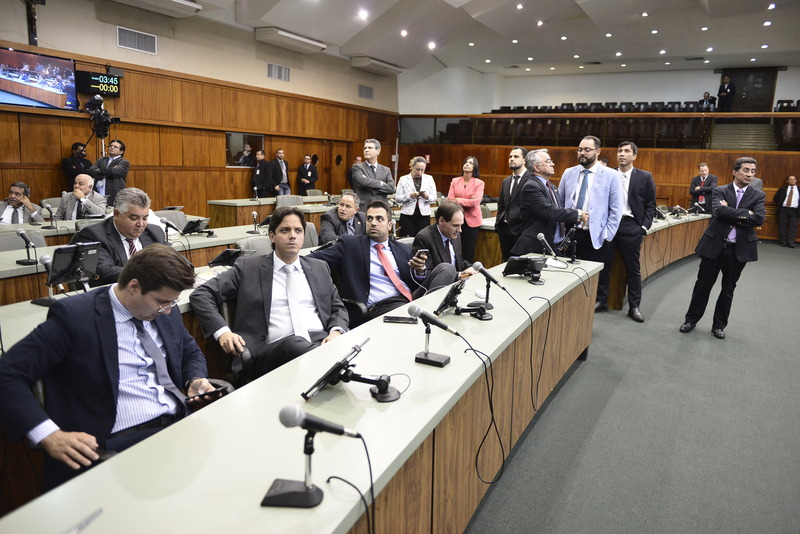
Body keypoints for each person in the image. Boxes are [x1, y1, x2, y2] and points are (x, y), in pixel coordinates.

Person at [0, 244, 215, 490]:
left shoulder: (165, 310)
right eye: (161, 302)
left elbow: (190, 352)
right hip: (117, 443)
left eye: (172, 303)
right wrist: (47, 434)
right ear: (134, 286)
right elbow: (8, 373)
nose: (167, 311)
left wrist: (194, 379)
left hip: (179, 424)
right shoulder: (75, 316)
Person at [190, 207, 348, 382]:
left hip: (320, 343)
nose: (293, 236)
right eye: (285, 230)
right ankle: (333, 369)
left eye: (298, 231)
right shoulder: (248, 268)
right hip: (270, 352)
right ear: (272, 236)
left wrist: (336, 332)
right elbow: (201, 294)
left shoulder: (319, 267)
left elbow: (338, 307)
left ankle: (331, 368)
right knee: (294, 343)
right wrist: (223, 332)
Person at [310, 200, 456, 321]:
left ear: (389, 225)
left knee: (447, 268)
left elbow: (413, 282)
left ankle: (429, 313)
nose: (373, 223)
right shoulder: (350, 244)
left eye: (379, 219)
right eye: (369, 219)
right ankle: (429, 315)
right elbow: (313, 259)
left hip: (409, 298)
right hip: (380, 305)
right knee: (409, 310)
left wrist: (420, 271)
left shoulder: (401, 248)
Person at [680, 157, 765, 339]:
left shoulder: (758, 195)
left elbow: (758, 219)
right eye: (746, 170)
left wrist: (731, 212)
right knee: (702, 286)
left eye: (752, 171)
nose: (749, 174)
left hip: (738, 250)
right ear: (735, 172)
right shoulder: (720, 191)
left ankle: (719, 326)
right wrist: (746, 213)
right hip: (714, 246)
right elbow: (718, 212)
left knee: (728, 289)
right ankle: (691, 320)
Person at [558, 136, 624, 311]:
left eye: (587, 150)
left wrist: (607, 235)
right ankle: (573, 302)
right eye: (580, 149)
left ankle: (600, 302)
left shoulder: (611, 175)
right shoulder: (569, 173)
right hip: (571, 232)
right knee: (570, 272)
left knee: (599, 274)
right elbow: (561, 203)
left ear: (598, 151)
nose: (582, 153)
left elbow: (616, 209)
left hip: (596, 234)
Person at [70, 187, 165, 286]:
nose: (141, 224)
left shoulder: (154, 232)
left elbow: (169, 261)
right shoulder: (94, 235)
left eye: (145, 218)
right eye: (134, 218)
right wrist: (149, 274)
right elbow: (106, 271)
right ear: (116, 214)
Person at [607, 142, 656, 322]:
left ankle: (634, 306)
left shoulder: (644, 176)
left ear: (634, 156)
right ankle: (601, 300)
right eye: (619, 151)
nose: (622, 154)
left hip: (631, 225)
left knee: (633, 268)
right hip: (610, 224)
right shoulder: (608, 174)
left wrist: (644, 227)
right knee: (604, 265)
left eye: (627, 151)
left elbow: (651, 204)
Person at [511, 150, 583, 256]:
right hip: (537, 248)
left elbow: (558, 210)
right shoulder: (531, 186)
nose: (552, 164)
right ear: (537, 167)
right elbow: (549, 211)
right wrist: (577, 214)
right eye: (548, 161)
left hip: (554, 247)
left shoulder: (551, 186)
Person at [413, 201, 476, 278]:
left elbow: (458, 261)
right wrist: (458, 275)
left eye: (461, 225)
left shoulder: (455, 235)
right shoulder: (424, 238)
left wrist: (474, 268)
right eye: (455, 225)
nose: (460, 230)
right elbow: (427, 274)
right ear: (441, 221)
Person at [495, 146, 531, 261]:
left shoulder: (531, 179)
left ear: (524, 160)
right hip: (505, 231)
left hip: (522, 231)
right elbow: (501, 205)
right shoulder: (506, 181)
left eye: (516, 156)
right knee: (505, 263)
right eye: (510, 156)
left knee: (520, 265)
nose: (511, 159)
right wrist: (499, 225)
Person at [447, 155, 485, 263]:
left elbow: (476, 202)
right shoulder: (455, 181)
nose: (467, 164)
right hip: (456, 218)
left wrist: (459, 200)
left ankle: (467, 270)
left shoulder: (479, 183)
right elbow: (450, 199)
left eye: (470, 163)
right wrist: (468, 200)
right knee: (455, 249)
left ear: (474, 167)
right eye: (465, 162)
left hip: (472, 221)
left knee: (468, 250)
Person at [396, 156, 437, 238]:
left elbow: (434, 198)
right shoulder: (403, 179)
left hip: (424, 215)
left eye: (422, 170)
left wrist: (427, 196)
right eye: (417, 169)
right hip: (407, 215)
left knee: (423, 239)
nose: (420, 172)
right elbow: (398, 198)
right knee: (406, 238)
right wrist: (410, 195)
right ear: (412, 167)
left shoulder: (429, 179)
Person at [350, 139, 395, 211]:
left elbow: (391, 188)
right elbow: (362, 181)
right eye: (365, 148)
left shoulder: (386, 170)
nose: (366, 150)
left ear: (378, 151)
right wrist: (380, 183)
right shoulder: (357, 167)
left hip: (382, 209)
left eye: (370, 148)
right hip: (364, 209)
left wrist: (368, 185)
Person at [89, 139, 129, 205]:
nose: (111, 148)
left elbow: (114, 172)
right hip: (98, 191)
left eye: (115, 147)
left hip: (113, 193)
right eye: (110, 146)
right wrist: (106, 173)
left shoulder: (124, 162)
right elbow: (91, 170)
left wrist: (99, 170)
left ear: (121, 151)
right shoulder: (101, 160)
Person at [774, 175, 799, 247]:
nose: (792, 180)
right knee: (782, 226)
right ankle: (783, 242)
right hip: (783, 209)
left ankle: (791, 242)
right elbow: (776, 198)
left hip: (794, 210)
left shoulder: (799, 190)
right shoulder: (783, 189)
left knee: (793, 227)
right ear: (787, 181)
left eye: (794, 179)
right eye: (790, 179)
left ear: (796, 181)